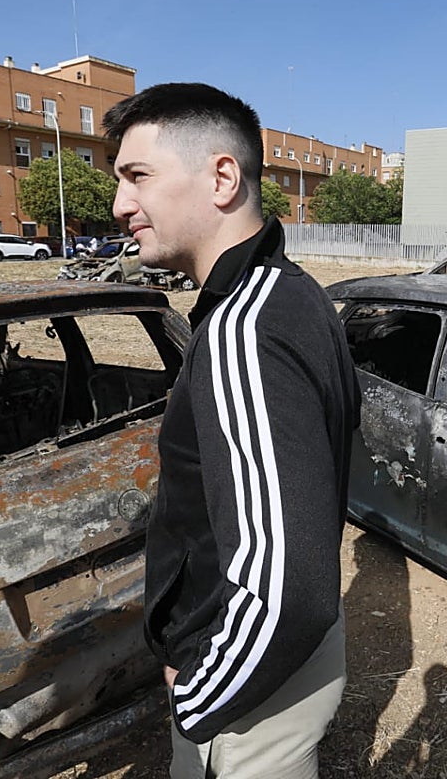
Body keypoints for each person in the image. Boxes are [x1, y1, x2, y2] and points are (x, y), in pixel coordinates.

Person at [104, 83, 359, 778]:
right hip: (269, 668)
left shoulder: (246, 328)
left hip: (247, 689)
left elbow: (288, 590)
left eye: (138, 177)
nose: (121, 205)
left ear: (222, 177)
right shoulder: (290, 290)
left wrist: (199, 692)